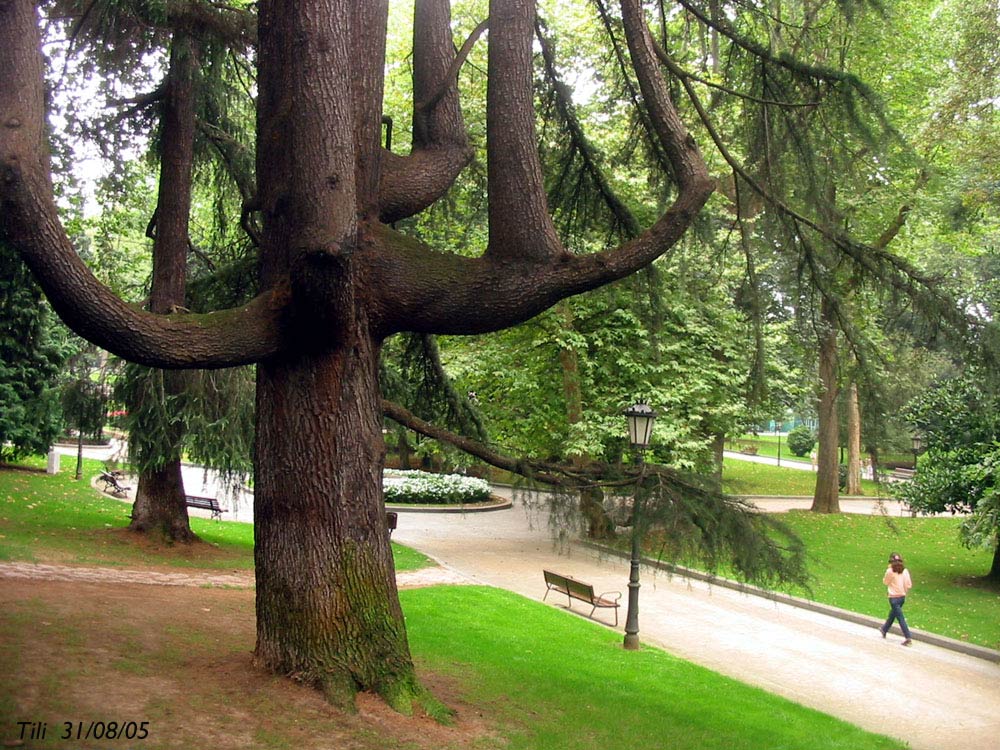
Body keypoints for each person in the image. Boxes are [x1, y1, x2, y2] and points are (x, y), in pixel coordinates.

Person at [879, 553, 913, 646]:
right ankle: (884, 629)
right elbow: (908, 585)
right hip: (902, 597)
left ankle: (908, 637)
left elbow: (885, 582)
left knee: (900, 617)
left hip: (893, 598)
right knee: (893, 614)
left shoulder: (890, 571)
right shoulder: (905, 571)